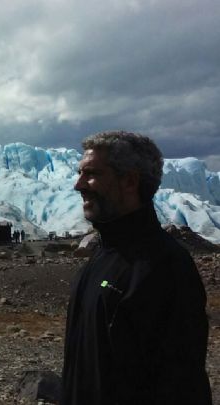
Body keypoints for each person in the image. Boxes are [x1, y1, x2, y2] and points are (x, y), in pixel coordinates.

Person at [61, 131, 212, 404]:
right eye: (80, 173)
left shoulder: (164, 267)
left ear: (130, 181)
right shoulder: (102, 258)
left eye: (91, 174)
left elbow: (181, 386)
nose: (78, 185)